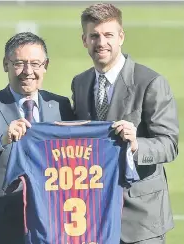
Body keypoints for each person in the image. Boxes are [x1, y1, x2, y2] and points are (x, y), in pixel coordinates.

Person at [71, 3, 179, 244]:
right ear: (84, 40)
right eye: (94, 36)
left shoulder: (151, 82)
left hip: (140, 220)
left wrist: (136, 144)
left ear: (121, 37)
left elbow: (169, 145)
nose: (101, 42)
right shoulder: (80, 83)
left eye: (108, 35)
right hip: (94, 216)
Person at [0, 32, 74, 244]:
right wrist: (2, 139)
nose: (28, 71)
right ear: (5, 64)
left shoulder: (61, 106)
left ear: (46, 65)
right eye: (19, 63)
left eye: (35, 63)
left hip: (49, 225)